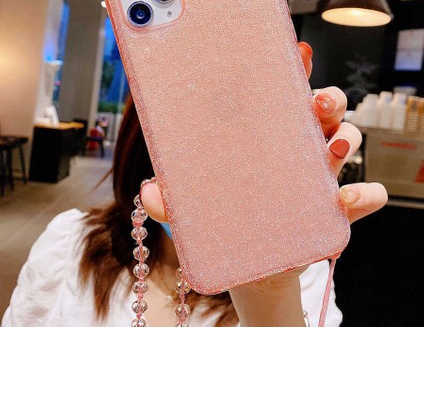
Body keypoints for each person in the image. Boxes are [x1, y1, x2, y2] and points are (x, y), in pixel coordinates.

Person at [2, 43, 387, 327]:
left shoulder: (300, 278)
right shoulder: (67, 246)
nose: (211, 168)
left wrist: (269, 298)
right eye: (189, 137)